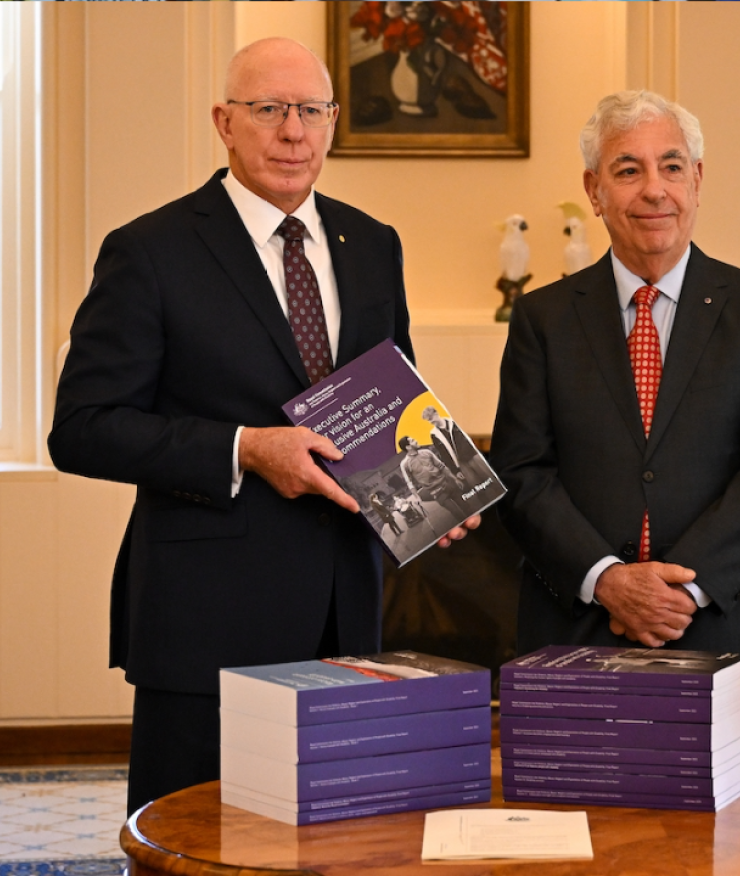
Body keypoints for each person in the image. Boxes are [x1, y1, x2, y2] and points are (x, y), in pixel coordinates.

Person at [47, 38, 477, 815]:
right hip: (205, 619)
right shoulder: (150, 250)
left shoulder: (373, 244)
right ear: (225, 121)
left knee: (339, 840)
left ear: (333, 122)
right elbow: (81, 428)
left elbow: (389, 400)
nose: (293, 132)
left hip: (347, 611)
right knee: (195, 839)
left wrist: (431, 486)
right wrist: (245, 449)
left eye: (311, 111)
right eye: (270, 109)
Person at [490, 91, 740, 742]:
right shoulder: (541, 320)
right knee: (581, 828)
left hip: (727, 616)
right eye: (627, 169)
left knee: (739, 840)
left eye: (670, 166)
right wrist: (608, 581)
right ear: (594, 189)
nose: (653, 190)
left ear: (696, 180)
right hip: (578, 624)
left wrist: (675, 593)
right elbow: (522, 471)